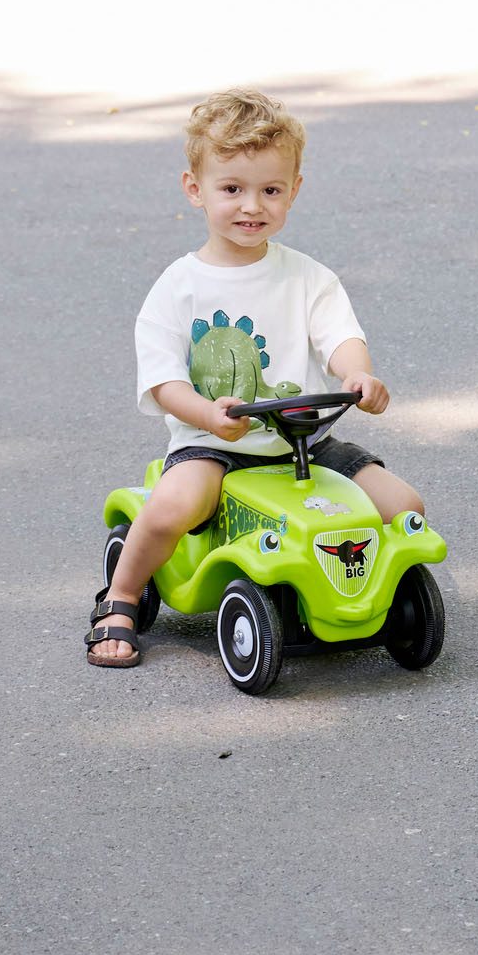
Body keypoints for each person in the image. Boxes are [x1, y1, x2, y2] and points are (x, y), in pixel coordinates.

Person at [86, 87, 423, 668]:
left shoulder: (309, 278)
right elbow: (165, 381)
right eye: (232, 189)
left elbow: (340, 336)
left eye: (270, 190)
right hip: (216, 445)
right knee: (174, 506)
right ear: (196, 190)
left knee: (403, 505)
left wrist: (358, 375)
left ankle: (380, 596)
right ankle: (120, 597)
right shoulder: (178, 287)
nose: (252, 206)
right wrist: (205, 414)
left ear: (294, 190)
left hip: (307, 442)